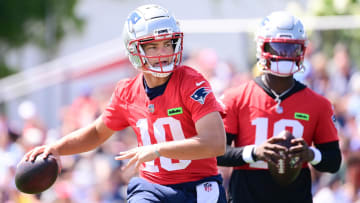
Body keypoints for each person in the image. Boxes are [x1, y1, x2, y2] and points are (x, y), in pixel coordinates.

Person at [22, 4, 227, 203]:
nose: (163, 53)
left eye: (167, 44)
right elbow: (96, 133)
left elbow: (216, 143)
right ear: (134, 50)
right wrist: (57, 148)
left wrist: (158, 149)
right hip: (153, 188)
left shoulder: (192, 83)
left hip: (199, 187)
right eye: (153, 47)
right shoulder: (127, 92)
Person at [217, 11, 342, 203]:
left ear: (302, 51)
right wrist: (254, 152)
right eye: (276, 48)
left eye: (292, 49)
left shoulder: (319, 104)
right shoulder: (236, 97)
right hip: (247, 196)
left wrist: (311, 154)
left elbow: (333, 161)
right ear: (261, 47)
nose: (284, 55)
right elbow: (216, 151)